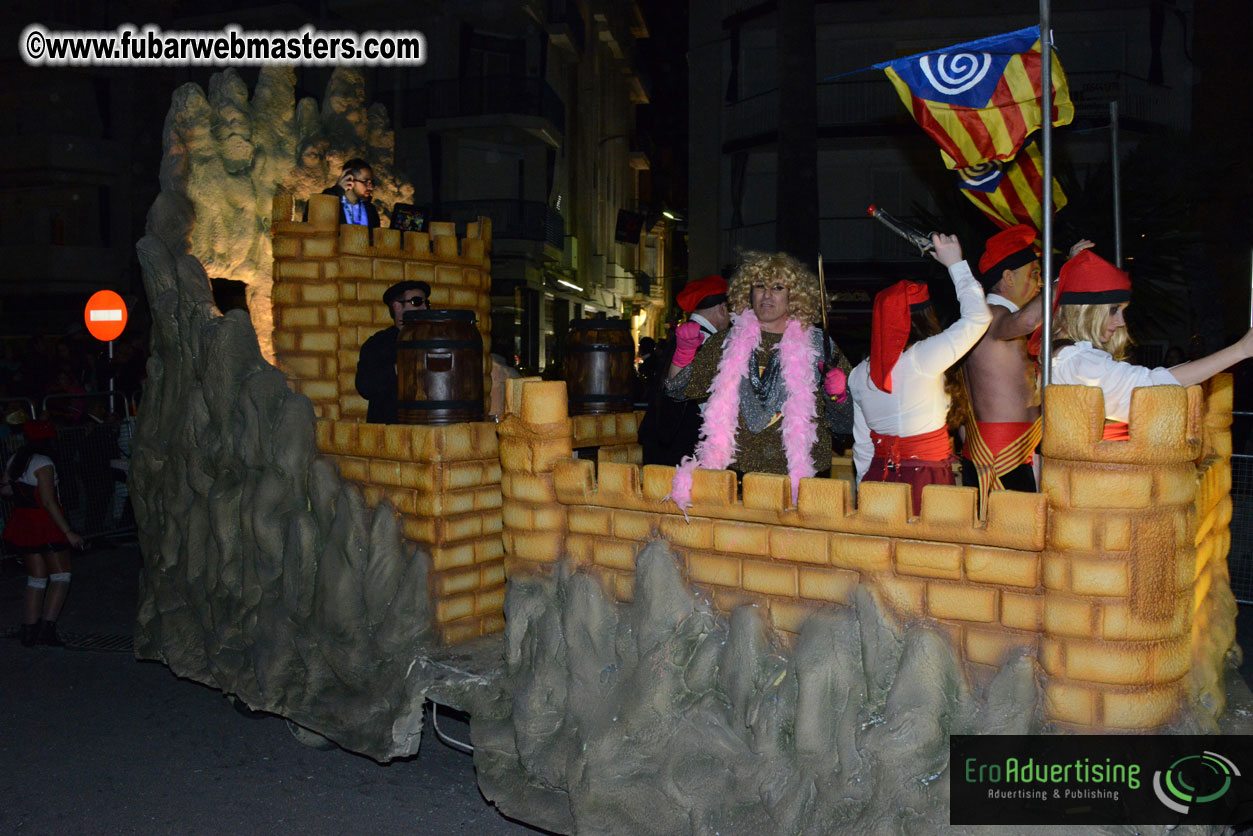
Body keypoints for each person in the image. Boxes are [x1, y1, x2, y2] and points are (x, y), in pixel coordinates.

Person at [665, 254, 850, 508]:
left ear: (794, 296)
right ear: (749, 293)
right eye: (760, 286)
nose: (767, 295)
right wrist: (683, 354)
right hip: (734, 481)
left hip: (801, 484)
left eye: (778, 287)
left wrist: (839, 397)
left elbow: (845, 426)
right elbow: (677, 390)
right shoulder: (725, 342)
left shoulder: (820, 346)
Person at [849, 235, 990, 514]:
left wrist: (865, 489)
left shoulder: (858, 374)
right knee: (929, 543)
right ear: (925, 316)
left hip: (877, 479)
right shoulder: (922, 357)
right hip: (925, 478)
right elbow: (978, 318)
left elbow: (863, 446)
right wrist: (956, 264)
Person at [1049, 250, 1253, 436]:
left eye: (1122, 311)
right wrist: (1239, 350)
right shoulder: (1075, 359)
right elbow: (1148, 391)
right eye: (1113, 310)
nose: (1121, 322)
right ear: (1087, 311)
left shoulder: (1068, 354)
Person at [960, 226, 1094, 505]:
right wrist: (1066, 274)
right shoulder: (989, 314)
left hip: (1015, 451)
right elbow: (1028, 320)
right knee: (1012, 531)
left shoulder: (1001, 315)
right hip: (1000, 458)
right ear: (1008, 277)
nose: (1039, 283)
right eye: (1034, 274)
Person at [1, 419, 84, 647]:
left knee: (36, 578)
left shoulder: (16, 459)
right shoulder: (43, 462)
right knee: (61, 576)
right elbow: (48, 501)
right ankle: (47, 630)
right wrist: (68, 531)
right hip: (44, 522)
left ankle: (29, 631)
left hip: (23, 521)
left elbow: (6, 491)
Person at [640, 275, 732, 467]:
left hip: (663, 444)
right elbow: (709, 406)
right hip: (685, 451)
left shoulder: (681, 336)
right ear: (722, 308)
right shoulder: (707, 342)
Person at [355, 280, 430, 424]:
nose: (424, 307)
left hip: (426, 431)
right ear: (397, 306)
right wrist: (397, 368)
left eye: (426, 302)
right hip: (388, 432)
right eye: (417, 302)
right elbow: (364, 386)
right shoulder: (377, 344)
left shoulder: (433, 339)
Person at [306, 158, 380, 228]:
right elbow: (312, 221)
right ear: (349, 179)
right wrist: (337, 190)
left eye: (372, 183)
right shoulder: (332, 204)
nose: (371, 187)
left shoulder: (371, 210)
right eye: (366, 182)